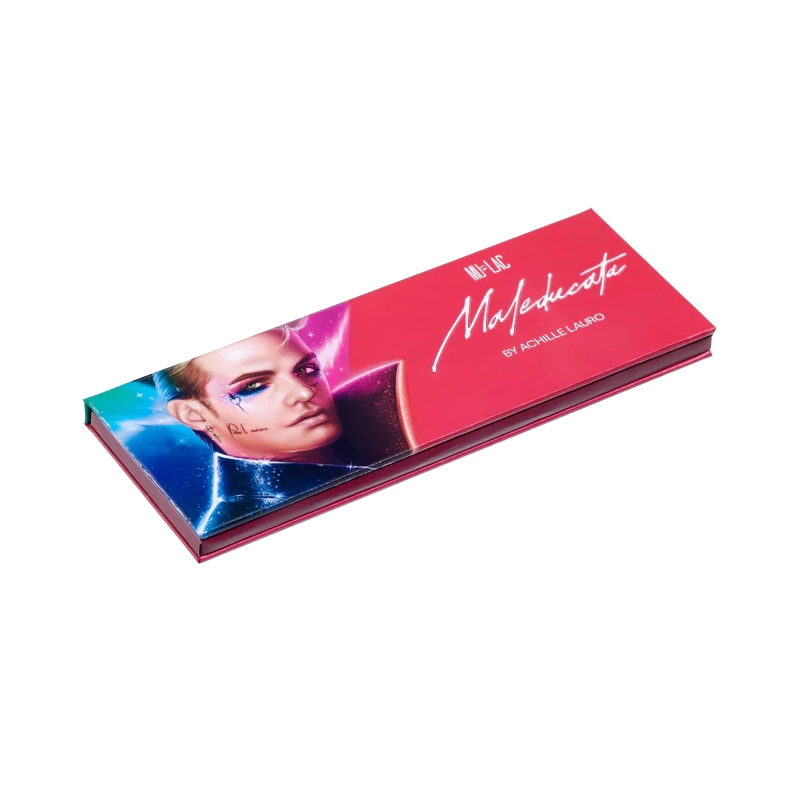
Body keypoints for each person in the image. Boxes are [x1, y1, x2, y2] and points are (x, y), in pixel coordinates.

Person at [154, 321, 413, 537]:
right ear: (194, 415)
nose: (303, 392)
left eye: (306, 369)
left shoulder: (380, 405)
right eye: (254, 386)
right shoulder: (245, 526)